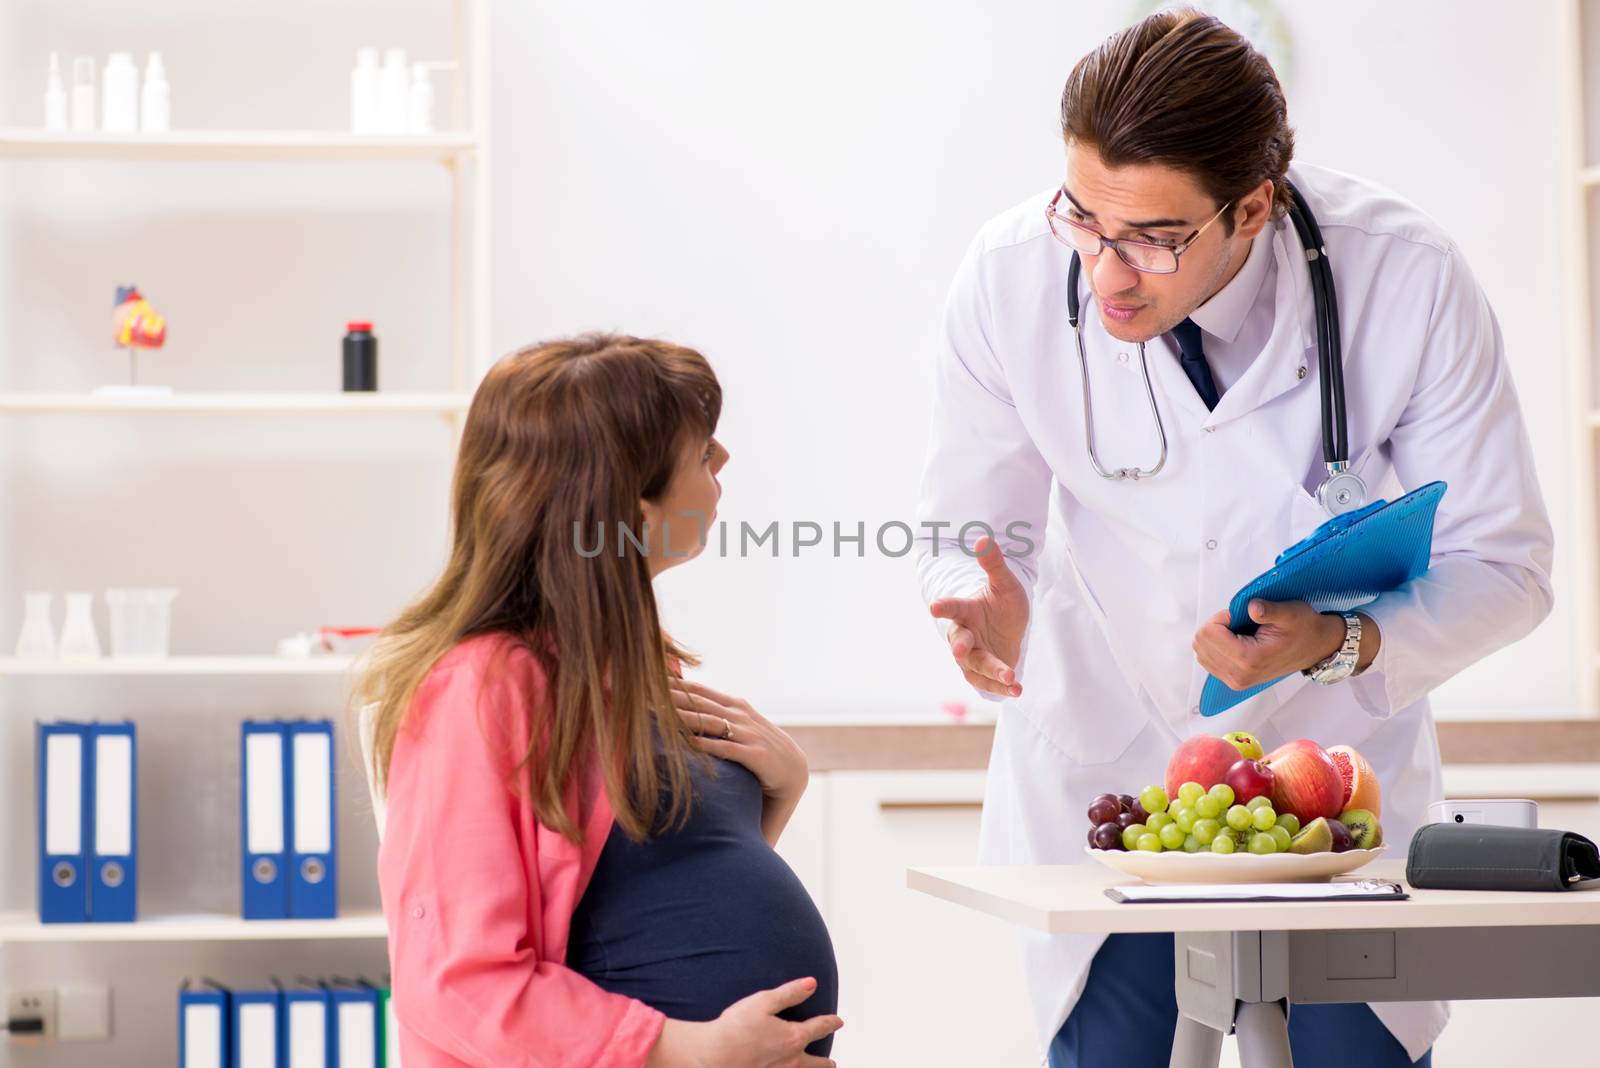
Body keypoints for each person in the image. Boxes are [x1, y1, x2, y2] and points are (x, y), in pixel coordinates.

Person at [914, 10, 1553, 1067]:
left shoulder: (1402, 274)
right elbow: (972, 523)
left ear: (1252, 206)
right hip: (1107, 758)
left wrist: (1335, 644)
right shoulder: (1010, 273)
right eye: (1083, 217)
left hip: (1328, 770)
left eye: (1154, 239)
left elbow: (1506, 567)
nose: (1106, 275)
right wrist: (979, 593)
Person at [365, 333, 842, 1067]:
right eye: (700, 450)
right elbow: (456, 980)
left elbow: (642, 898)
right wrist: (693, 1049)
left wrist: (781, 791)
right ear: (629, 502)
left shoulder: (627, 666)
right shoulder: (480, 688)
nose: (723, 462)